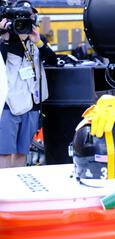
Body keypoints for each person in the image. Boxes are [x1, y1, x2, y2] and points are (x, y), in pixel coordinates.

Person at [0, 0, 57, 169]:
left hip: (32, 102)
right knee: (4, 151)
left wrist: (38, 41)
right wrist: (5, 39)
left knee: (22, 151)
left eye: (29, 16)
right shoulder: (4, 40)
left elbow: (52, 60)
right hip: (9, 104)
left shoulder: (36, 40)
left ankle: (18, 188)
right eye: (22, 17)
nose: (27, 20)